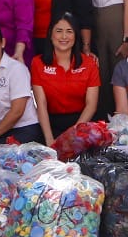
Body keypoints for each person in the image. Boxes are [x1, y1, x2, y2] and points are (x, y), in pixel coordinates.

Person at [30, 12, 101, 143]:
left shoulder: (89, 63)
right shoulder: (37, 63)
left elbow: (91, 105)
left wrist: (73, 135)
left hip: (82, 122)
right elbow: (41, 104)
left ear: (75, 36)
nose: (64, 36)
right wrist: (49, 140)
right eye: (59, 31)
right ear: (51, 35)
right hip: (50, 124)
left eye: (69, 31)